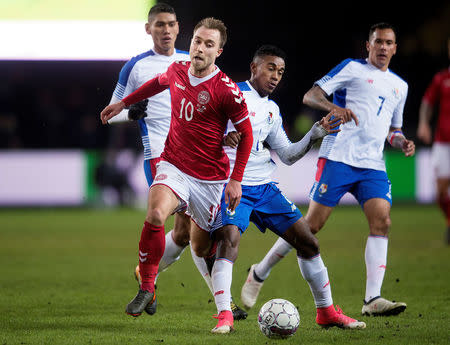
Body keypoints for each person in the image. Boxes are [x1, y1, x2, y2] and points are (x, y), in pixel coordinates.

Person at [241, 22, 415, 317]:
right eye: (378, 42)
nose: (383, 47)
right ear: (368, 46)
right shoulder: (351, 69)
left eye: (389, 42)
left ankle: (372, 298)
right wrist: (332, 108)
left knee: (382, 222)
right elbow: (311, 96)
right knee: (310, 227)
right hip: (338, 157)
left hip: (372, 164)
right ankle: (260, 271)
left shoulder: (401, 86)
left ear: (395, 48)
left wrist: (401, 141)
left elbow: (393, 131)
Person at [100, 17, 254, 331]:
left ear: (218, 51)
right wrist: (124, 104)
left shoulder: (226, 90)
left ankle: (221, 305)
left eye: (208, 44)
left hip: (209, 179)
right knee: (156, 213)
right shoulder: (178, 69)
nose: (199, 47)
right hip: (173, 165)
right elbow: (157, 83)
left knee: (195, 244)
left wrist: (236, 178)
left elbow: (246, 133)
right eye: (197, 40)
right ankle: (147, 284)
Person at [207, 44, 366, 334]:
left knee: (308, 243)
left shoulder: (271, 110)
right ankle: (224, 316)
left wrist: (315, 134)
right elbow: (203, 132)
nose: (276, 76)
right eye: (270, 68)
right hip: (233, 185)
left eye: (280, 71)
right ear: (254, 67)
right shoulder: (231, 94)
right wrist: (221, 138)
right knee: (228, 240)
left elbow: (290, 155)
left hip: (265, 189)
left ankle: (326, 312)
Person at [417, 37, 450, 245]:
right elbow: (428, 102)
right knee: (440, 190)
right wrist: (423, 123)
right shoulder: (442, 78)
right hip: (443, 142)